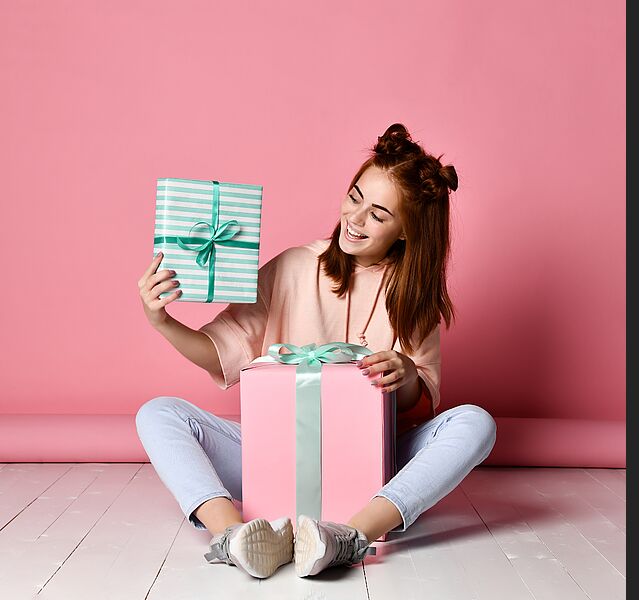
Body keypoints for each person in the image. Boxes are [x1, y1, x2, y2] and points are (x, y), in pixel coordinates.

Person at [135, 123, 497, 579]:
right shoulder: (291, 266)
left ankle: (351, 536)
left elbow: (418, 404)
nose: (356, 218)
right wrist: (162, 321)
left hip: (377, 466)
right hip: (274, 457)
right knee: (158, 413)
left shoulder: (412, 296)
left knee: (476, 423)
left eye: (379, 215)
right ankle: (232, 536)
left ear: (407, 231)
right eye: (354, 197)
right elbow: (221, 351)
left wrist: (404, 374)